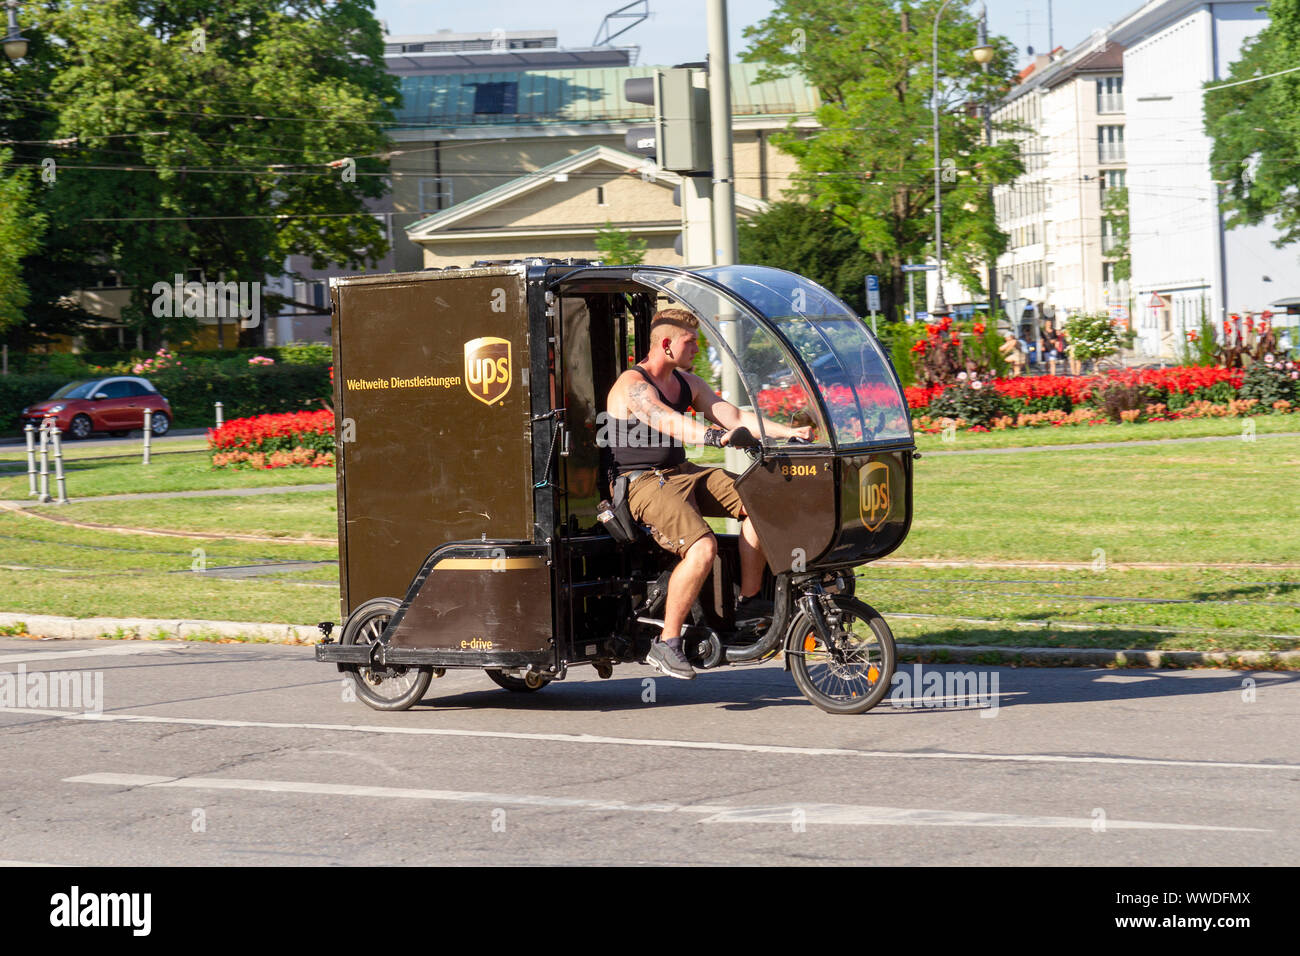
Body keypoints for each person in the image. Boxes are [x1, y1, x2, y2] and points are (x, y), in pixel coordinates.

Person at [604, 307, 812, 680]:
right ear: (666, 344)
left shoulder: (686, 382)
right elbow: (666, 420)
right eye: (690, 342)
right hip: (642, 483)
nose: (697, 348)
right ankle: (666, 645)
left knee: (759, 501)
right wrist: (714, 438)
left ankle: (748, 603)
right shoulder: (632, 386)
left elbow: (733, 416)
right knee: (702, 547)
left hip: (681, 473)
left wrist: (788, 433)